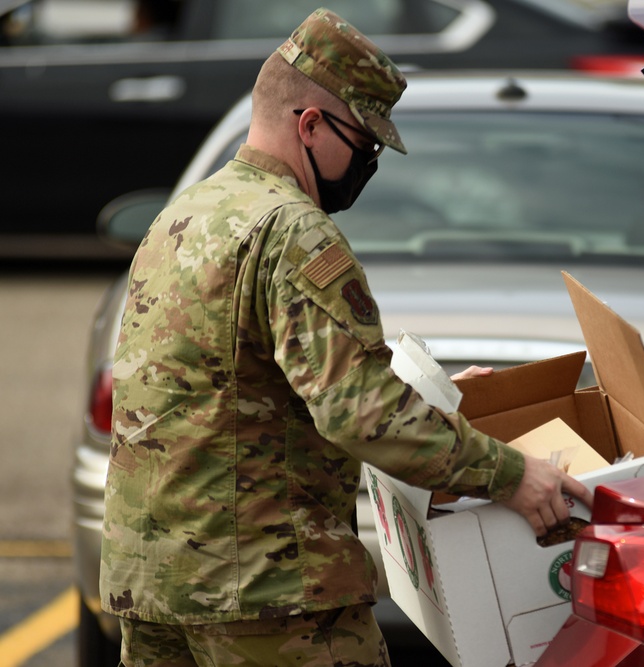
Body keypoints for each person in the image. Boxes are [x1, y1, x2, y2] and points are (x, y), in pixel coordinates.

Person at [99, 8, 592, 667]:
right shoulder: (294, 231)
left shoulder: (184, 214)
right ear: (309, 124)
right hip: (268, 600)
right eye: (364, 144)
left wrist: (434, 404)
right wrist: (508, 475)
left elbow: (240, 388)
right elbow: (358, 410)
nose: (369, 164)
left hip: (153, 586)